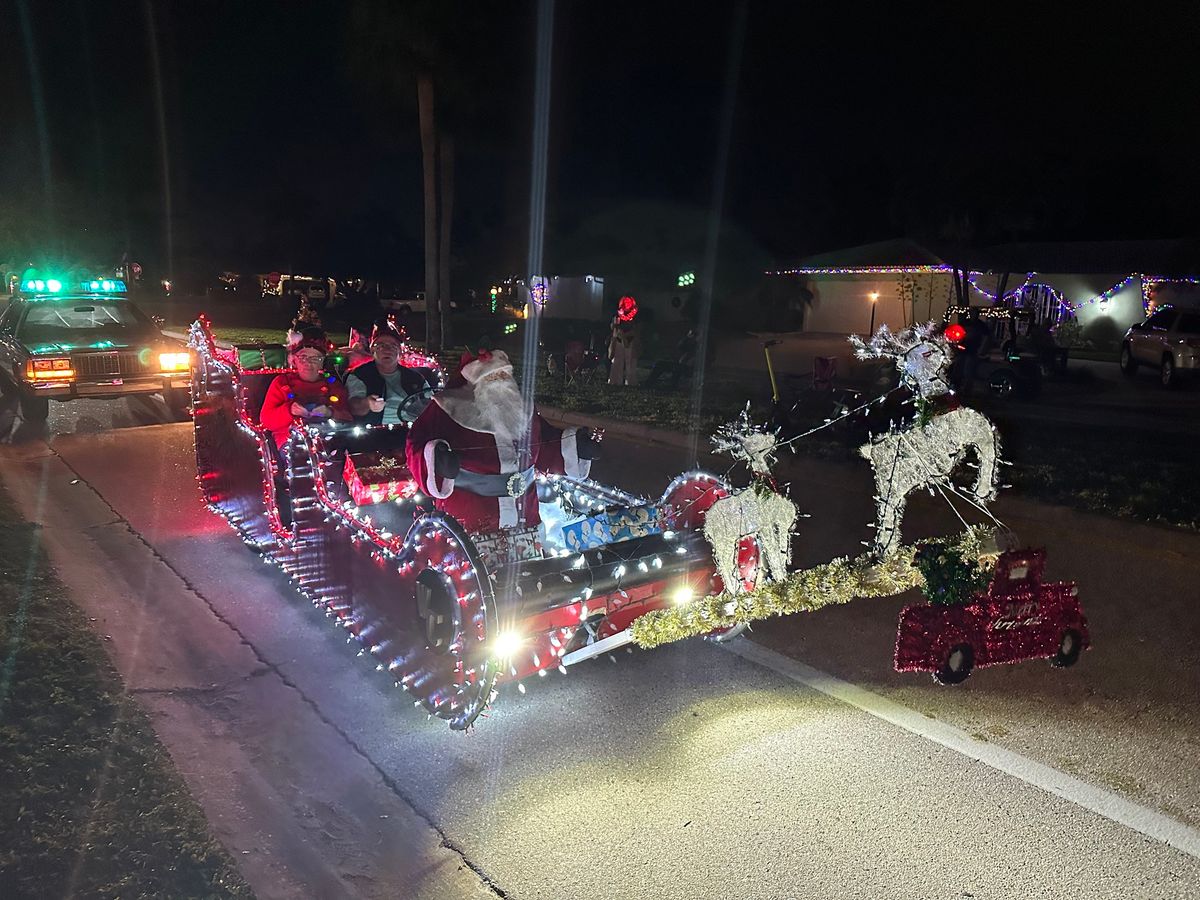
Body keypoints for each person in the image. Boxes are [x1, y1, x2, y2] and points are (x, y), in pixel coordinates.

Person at [406, 349, 601, 533]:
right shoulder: (447, 406)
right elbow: (415, 444)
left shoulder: (523, 409)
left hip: (526, 513)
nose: (500, 382)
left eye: (504, 375)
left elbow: (546, 442)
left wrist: (577, 446)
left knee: (533, 567)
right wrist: (435, 458)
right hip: (472, 516)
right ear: (474, 384)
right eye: (491, 377)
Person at [259, 326, 352, 454]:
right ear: (294, 359)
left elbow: (348, 417)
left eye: (315, 358)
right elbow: (267, 420)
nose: (308, 363)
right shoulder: (281, 383)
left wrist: (329, 412)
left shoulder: (332, 384)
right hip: (290, 444)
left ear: (322, 361)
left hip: (328, 442)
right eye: (303, 357)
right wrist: (289, 410)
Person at [345, 319, 433, 425]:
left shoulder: (416, 378)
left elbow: (431, 405)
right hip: (376, 432)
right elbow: (353, 406)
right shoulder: (360, 375)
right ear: (373, 350)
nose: (387, 350)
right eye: (381, 346)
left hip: (412, 430)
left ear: (399, 352)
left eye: (393, 346)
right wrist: (367, 403)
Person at [608, 297, 639, 386]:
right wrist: (615, 329)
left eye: (629, 302)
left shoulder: (635, 315)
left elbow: (636, 328)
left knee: (631, 362)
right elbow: (613, 326)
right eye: (626, 302)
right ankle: (615, 381)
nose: (627, 304)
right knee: (617, 361)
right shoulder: (618, 314)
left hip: (630, 338)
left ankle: (630, 382)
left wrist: (627, 335)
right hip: (618, 338)